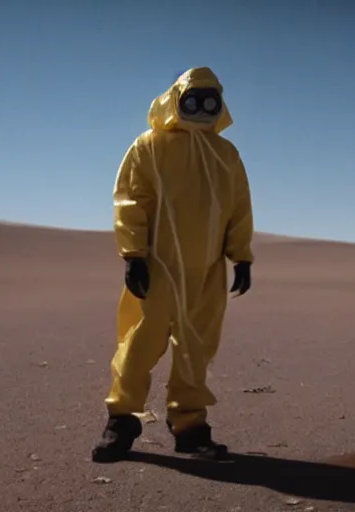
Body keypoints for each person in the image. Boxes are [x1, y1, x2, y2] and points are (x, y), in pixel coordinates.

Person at [92, 66, 254, 463]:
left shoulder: (226, 155)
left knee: (196, 350)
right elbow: (132, 201)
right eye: (193, 99)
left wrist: (242, 256)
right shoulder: (149, 146)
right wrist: (133, 255)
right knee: (140, 344)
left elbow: (238, 209)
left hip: (207, 272)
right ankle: (122, 420)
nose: (201, 107)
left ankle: (190, 427)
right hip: (158, 267)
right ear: (176, 100)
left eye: (209, 100)